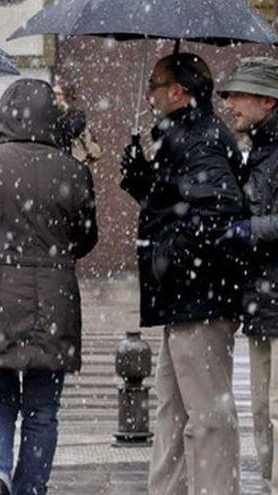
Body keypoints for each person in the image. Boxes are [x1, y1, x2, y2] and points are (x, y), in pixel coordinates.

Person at [0, 79, 98, 495]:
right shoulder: (72, 170)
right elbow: (85, 238)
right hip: (54, 300)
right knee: (43, 409)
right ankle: (31, 488)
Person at [120, 53, 246, 495]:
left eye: (156, 85)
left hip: (200, 297)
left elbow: (218, 209)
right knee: (172, 411)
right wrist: (141, 178)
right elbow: (175, 203)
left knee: (207, 415)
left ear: (179, 91)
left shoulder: (202, 138)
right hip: (186, 298)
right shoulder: (183, 137)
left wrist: (170, 256)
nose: (150, 94)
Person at [220, 56, 278, 492]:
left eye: (239, 95)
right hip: (262, 302)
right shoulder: (256, 151)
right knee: (262, 411)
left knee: (275, 409)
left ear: (268, 101)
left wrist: (248, 231)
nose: (230, 104)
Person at [54, 83, 102, 165]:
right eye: (53, 94)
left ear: (67, 97)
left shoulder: (76, 115)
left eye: (58, 94)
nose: (55, 97)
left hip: (71, 161)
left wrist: (65, 111)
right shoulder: (51, 114)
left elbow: (73, 130)